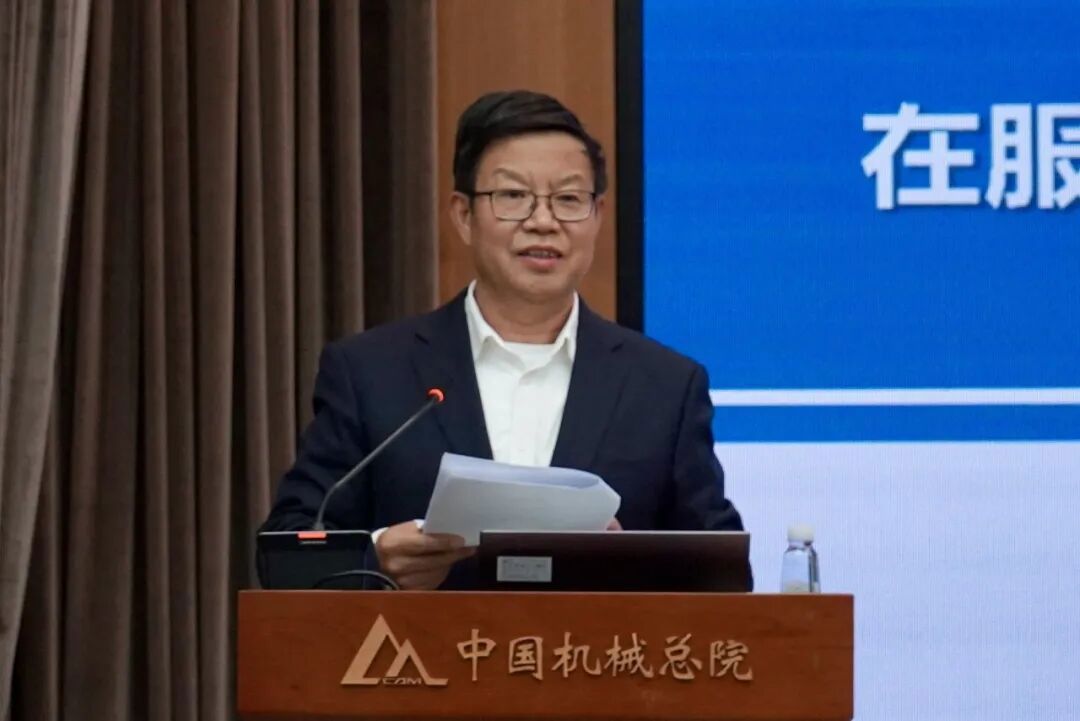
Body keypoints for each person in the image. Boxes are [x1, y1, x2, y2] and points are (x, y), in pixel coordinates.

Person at [260, 90, 744, 590]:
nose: (543, 221)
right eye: (513, 196)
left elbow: (722, 572)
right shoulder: (371, 372)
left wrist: (629, 562)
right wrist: (376, 556)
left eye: (569, 199)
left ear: (598, 216)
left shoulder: (664, 385)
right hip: (424, 642)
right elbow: (288, 549)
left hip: (599, 643)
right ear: (463, 215)